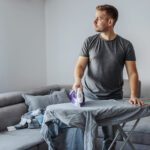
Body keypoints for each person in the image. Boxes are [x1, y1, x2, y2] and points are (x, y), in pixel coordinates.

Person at [72, 4, 144, 150]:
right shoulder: (89, 42)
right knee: (84, 134)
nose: (94, 22)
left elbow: (132, 73)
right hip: (89, 98)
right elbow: (80, 66)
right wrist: (77, 81)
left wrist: (134, 95)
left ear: (110, 22)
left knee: (109, 139)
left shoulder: (126, 45)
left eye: (99, 18)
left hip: (113, 98)